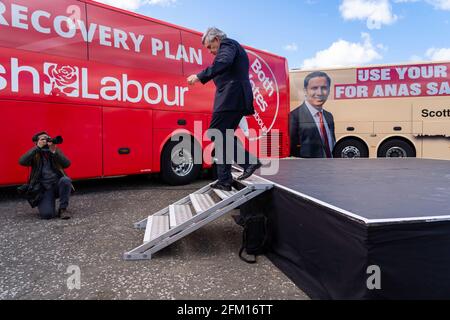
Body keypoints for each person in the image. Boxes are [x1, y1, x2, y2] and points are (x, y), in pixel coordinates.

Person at [187, 27, 261, 191]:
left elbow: (223, 62)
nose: (210, 52)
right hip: (232, 97)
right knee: (223, 138)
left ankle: (249, 161)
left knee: (216, 133)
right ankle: (224, 180)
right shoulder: (228, 48)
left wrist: (199, 76)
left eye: (209, 47)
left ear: (216, 40)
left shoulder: (227, 44)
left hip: (231, 97)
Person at [19, 131, 72, 220]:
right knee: (47, 215)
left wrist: (54, 151)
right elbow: (22, 161)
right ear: (37, 142)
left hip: (56, 185)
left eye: (47, 138)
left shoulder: (54, 150)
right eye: (43, 139)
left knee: (66, 180)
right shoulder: (35, 153)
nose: (46, 141)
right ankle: (48, 202)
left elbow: (67, 164)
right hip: (43, 188)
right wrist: (37, 148)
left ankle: (63, 209)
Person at [290, 71, 336, 158]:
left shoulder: (329, 116)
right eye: (314, 88)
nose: (319, 93)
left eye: (324, 88)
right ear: (305, 91)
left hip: (328, 168)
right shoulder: (294, 117)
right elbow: (291, 151)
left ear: (329, 90)